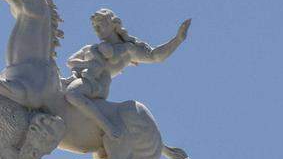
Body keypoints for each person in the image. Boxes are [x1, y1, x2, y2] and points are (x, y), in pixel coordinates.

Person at [64, 9, 190, 138]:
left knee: (72, 94)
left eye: (100, 23)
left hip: (97, 85)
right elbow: (70, 61)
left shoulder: (127, 50)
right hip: (79, 78)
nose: (96, 28)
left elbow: (155, 56)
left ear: (114, 24)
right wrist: (88, 64)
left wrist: (178, 40)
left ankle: (107, 126)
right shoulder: (90, 47)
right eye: (94, 26)